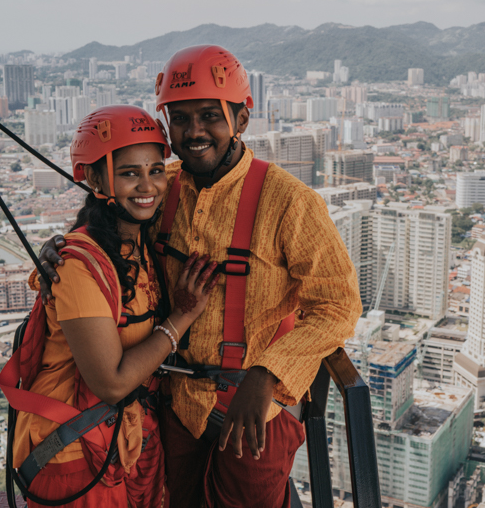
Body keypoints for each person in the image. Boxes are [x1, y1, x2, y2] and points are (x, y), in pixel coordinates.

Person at [40, 46, 363, 508]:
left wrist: (267, 375)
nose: (194, 132)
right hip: (175, 402)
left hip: (257, 413)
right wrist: (61, 249)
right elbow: (110, 237)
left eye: (209, 115)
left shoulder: (290, 202)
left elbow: (338, 305)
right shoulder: (161, 186)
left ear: (241, 120)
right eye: (181, 118)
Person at [16, 105, 219, 507]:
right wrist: (181, 318)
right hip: (73, 449)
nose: (148, 186)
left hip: (125, 440)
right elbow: (111, 382)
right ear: (94, 178)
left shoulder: (138, 238)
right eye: (129, 173)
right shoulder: (77, 265)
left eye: (156, 170)